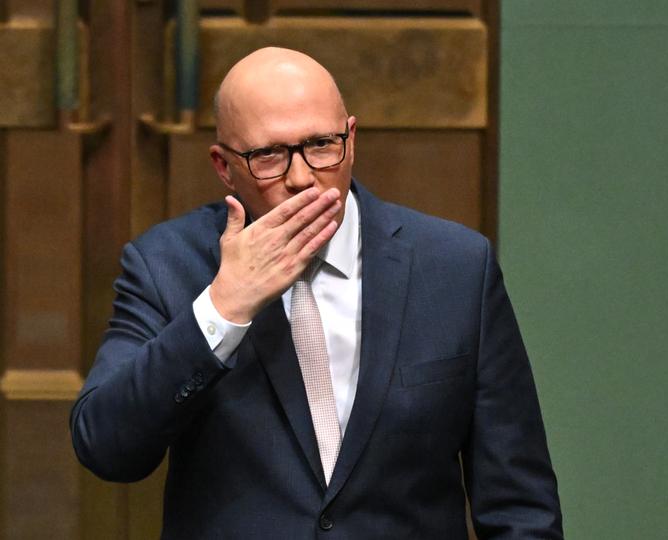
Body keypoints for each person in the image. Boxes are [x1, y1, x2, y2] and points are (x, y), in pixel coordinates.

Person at [71, 47, 563, 539]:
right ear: (223, 166)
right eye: (269, 156)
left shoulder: (454, 268)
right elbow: (107, 447)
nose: (303, 177)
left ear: (351, 138)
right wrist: (224, 307)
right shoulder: (167, 265)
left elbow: (520, 507)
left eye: (322, 146)